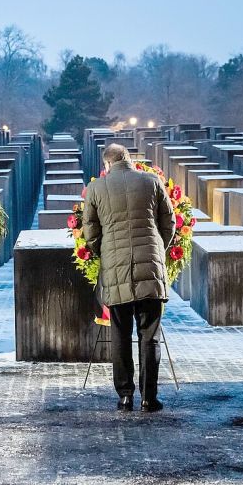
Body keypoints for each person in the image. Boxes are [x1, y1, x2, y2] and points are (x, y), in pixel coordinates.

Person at [82, 143, 175, 413]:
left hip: (115, 268)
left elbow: (91, 230)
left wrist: (105, 253)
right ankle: (149, 397)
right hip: (151, 268)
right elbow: (168, 221)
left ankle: (125, 395)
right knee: (150, 335)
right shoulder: (152, 180)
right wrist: (158, 248)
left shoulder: (97, 188)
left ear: (107, 165)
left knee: (120, 334)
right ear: (129, 160)